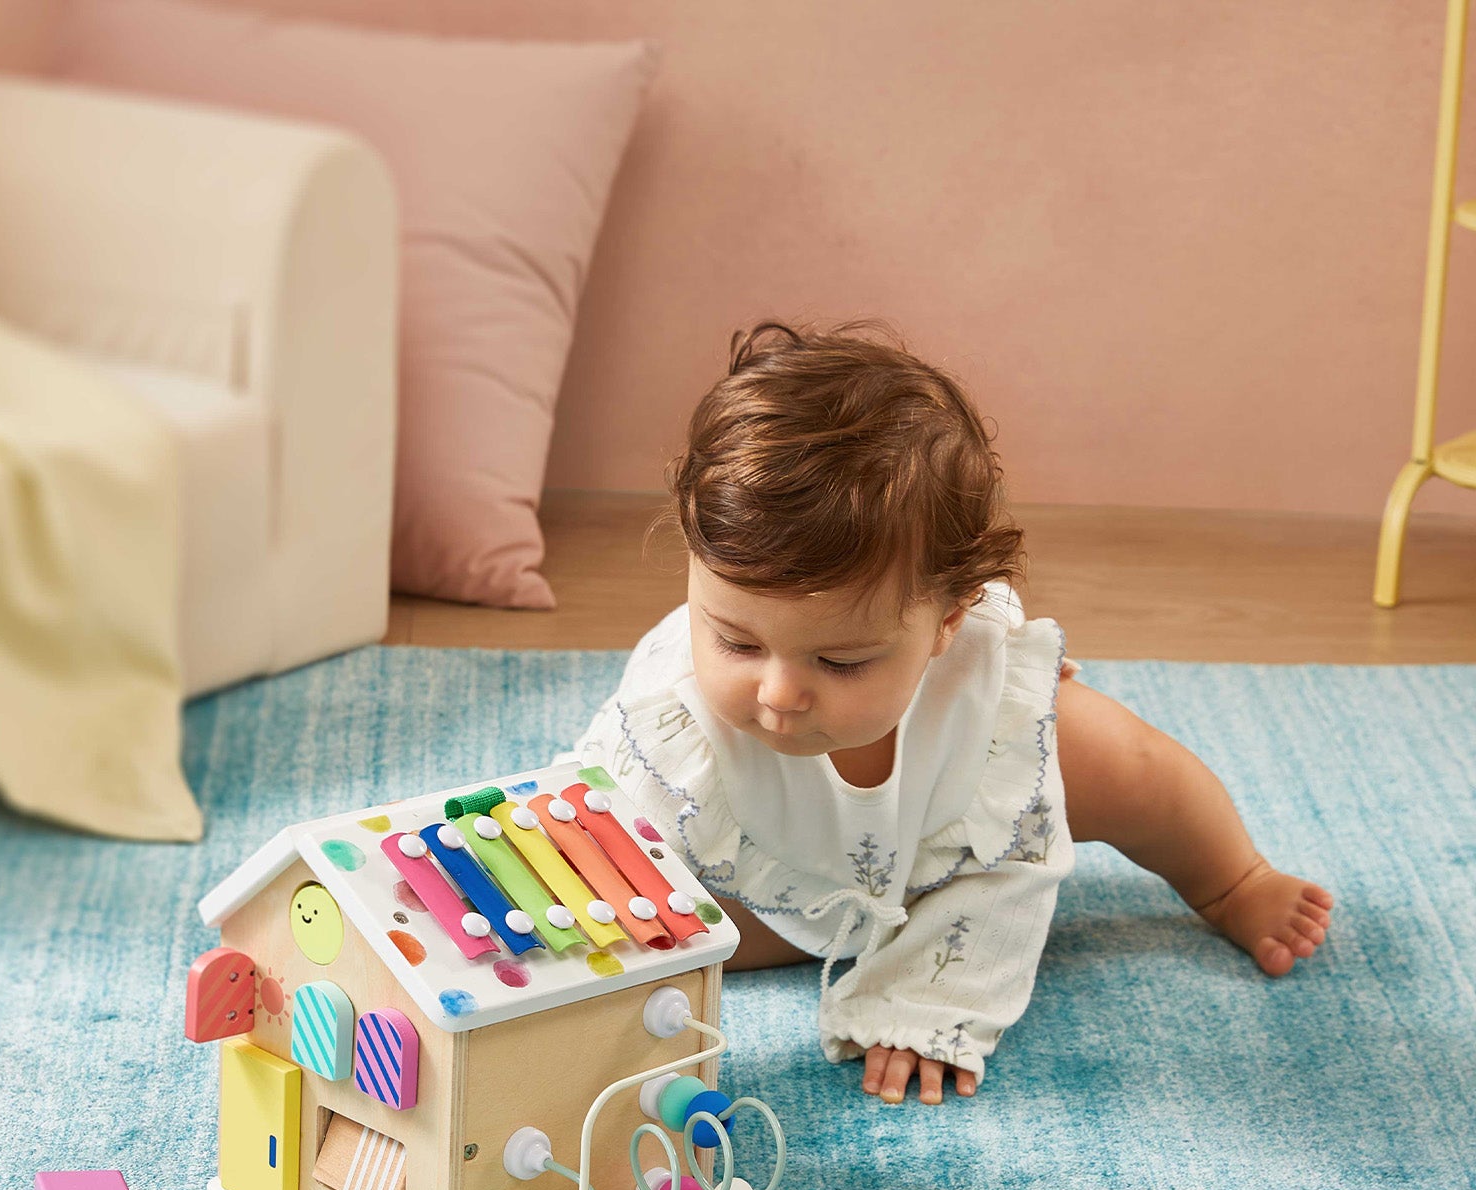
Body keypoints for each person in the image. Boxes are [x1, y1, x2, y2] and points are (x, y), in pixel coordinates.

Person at [566, 322, 1333, 1106]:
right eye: (735, 640)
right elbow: (593, 826)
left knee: (1124, 764)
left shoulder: (986, 710)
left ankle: (1234, 879)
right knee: (670, 933)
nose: (779, 694)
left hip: (958, 808)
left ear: (948, 624)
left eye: (841, 661)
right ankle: (866, 921)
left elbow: (1065, 816)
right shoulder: (673, 719)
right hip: (787, 856)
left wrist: (925, 999)